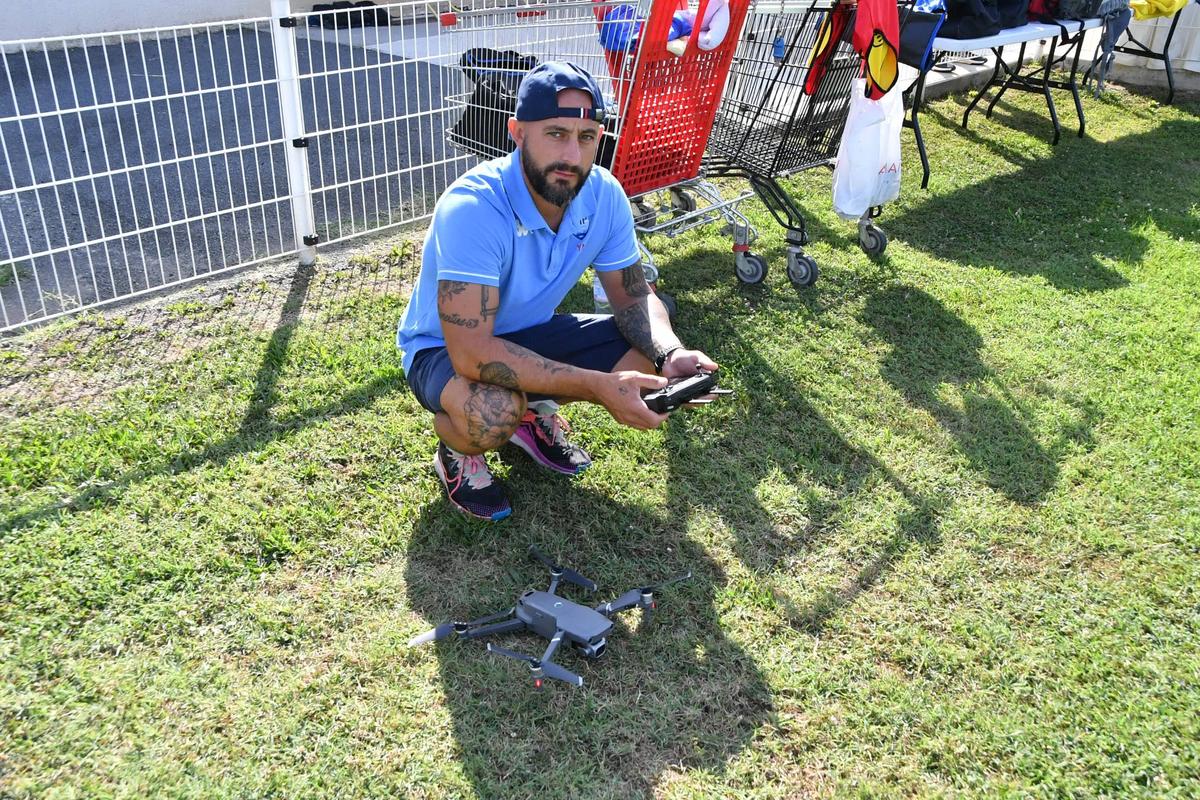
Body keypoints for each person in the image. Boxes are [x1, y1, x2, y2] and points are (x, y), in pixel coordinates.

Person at [397, 61, 717, 521]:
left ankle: (533, 413)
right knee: (492, 413)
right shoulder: (473, 207)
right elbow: (472, 355)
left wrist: (671, 353)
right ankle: (458, 452)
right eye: (556, 133)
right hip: (442, 350)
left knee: (642, 356)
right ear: (518, 132)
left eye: (586, 137)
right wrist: (599, 387)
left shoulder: (604, 193)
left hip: (528, 332)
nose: (572, 153)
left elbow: (633, 296)